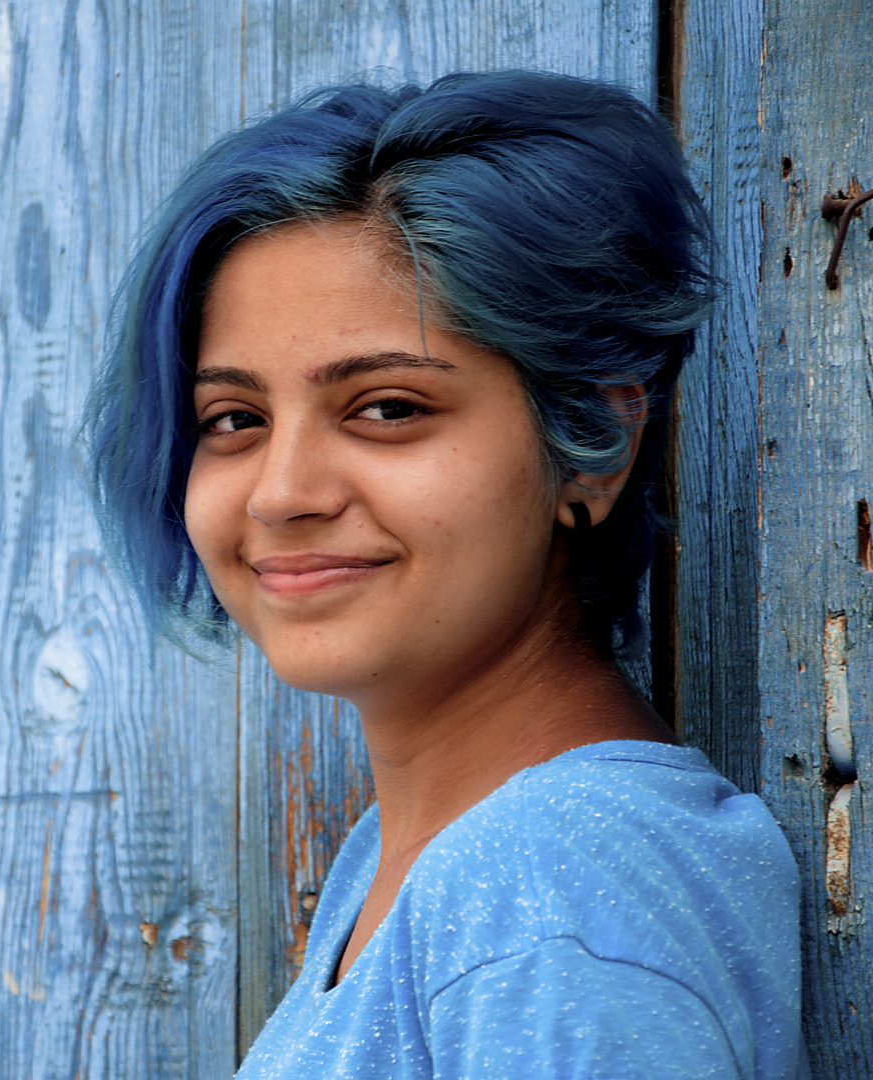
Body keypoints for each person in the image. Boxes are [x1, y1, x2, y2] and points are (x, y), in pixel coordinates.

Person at [84, 71, 808, 1078]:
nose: (279, 494)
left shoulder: (550, 882)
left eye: (387, 408)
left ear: (593, 439)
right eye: (234, 421)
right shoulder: (416, 864)